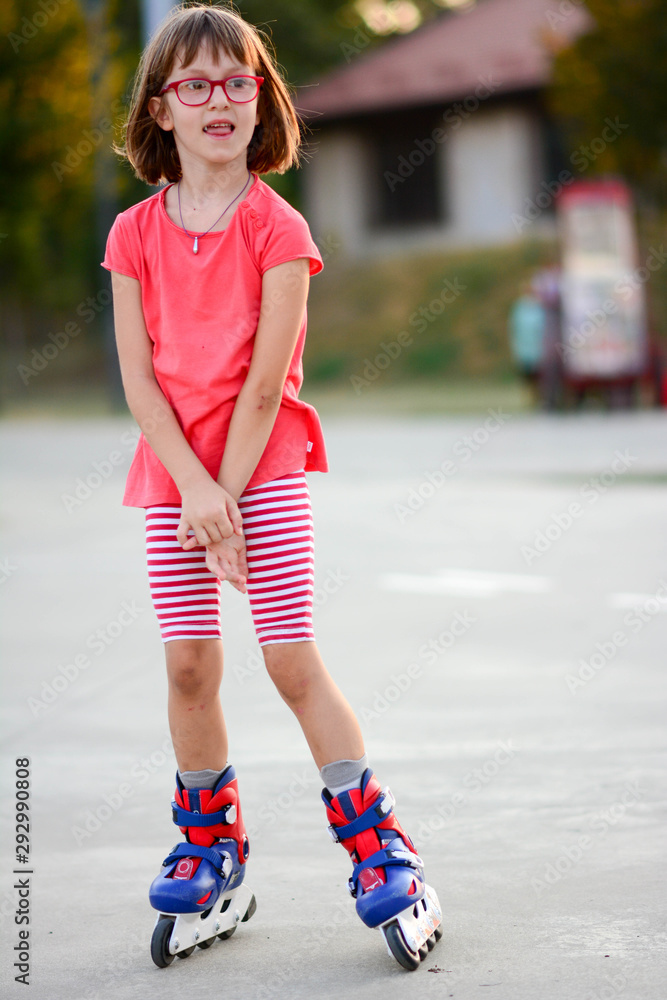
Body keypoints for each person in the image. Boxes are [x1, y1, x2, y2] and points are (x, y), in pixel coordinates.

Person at [101, 2, 441, 970]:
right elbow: (140, 380)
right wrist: (194, 491)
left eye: (237, 82)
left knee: (289, 660)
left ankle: (380, 842)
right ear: (161, 110)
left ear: (263, 103)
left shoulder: (278, 228)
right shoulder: (133, 235)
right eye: (195, 84)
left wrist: (227, 495)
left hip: (265, 472)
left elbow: (263, 383)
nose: (219, 99)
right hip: (173, 477)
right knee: (189, 667)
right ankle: (211, 843)